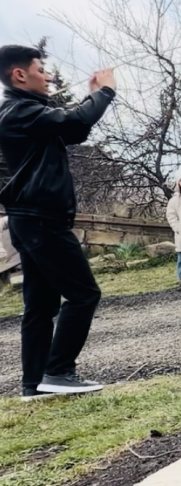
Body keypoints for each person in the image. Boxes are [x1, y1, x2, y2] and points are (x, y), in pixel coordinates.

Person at [0, 45, 114, 399]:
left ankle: (34, 384)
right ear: (20, 74)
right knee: (84, 294)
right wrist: (106, 92)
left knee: (41, 306)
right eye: (40, 70)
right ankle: (58, 371)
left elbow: (74, 130)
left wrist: (92, 96)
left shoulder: (27, 113)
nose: (48, 76)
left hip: (32, 218)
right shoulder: (17, 111)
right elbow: (77, 120)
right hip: (41, 219)